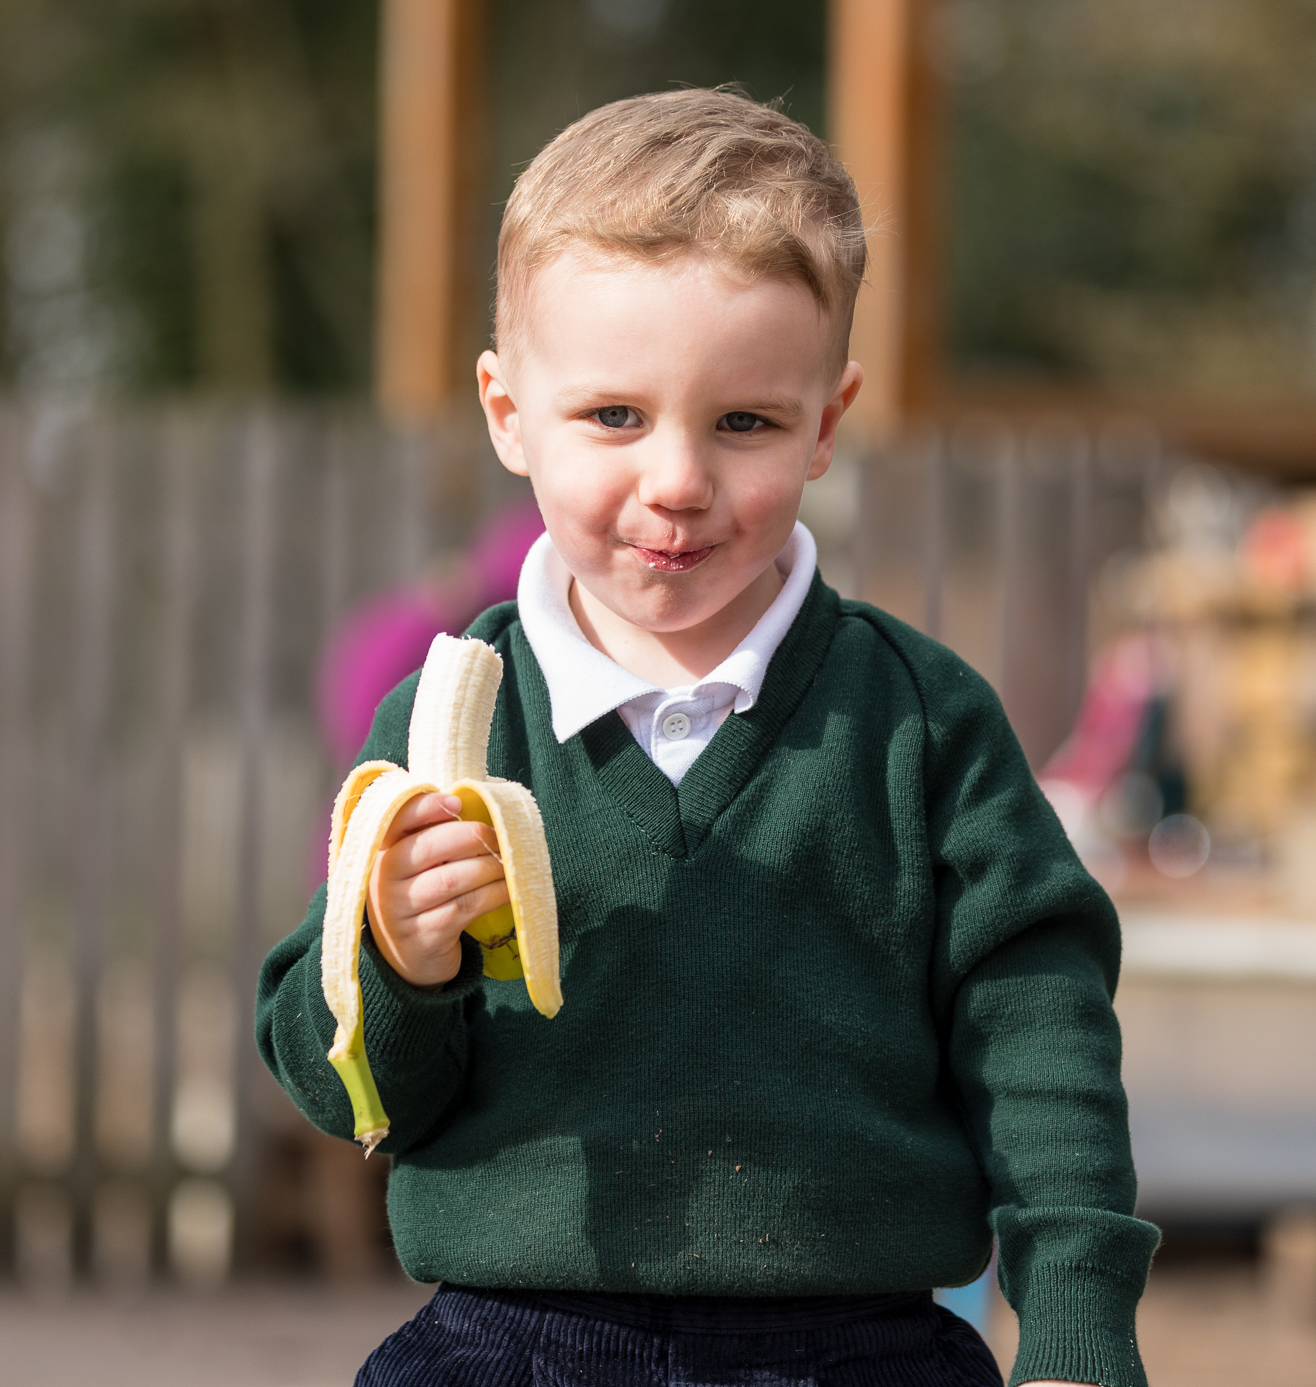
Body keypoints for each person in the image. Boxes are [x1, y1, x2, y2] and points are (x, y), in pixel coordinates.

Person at [256, 87, 1156, 1387]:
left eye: (744, 422)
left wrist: (1074, 1327)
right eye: (614, 417)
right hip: (516, 1343)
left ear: (827, 424)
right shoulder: (450, 721)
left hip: (863, 1348)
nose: (677, 478)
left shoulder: (919, 721)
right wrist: (399, 957)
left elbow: (1042, 1033)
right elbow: (342, 1085)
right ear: (510, 415)